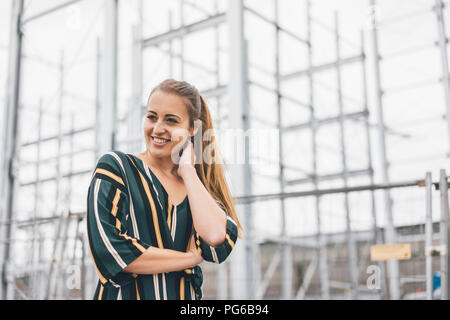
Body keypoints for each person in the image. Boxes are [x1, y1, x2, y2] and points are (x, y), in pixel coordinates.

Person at [86, 79, 243, 300]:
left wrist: (188, 171)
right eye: (152, 117)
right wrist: (189, 259)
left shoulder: (196, 190)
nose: (157, 128)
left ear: (193, 129)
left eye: (171, 120)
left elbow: (216, 238)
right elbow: (110, 252)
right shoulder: (116, 167)